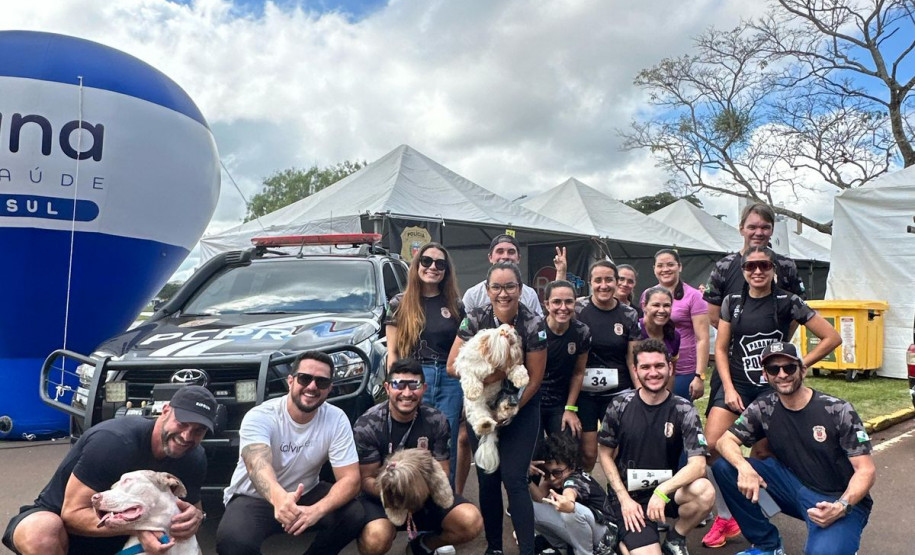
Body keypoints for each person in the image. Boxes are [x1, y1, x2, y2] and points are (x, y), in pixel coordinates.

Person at [701, 247, 841, 549]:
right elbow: (722, 349)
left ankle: (762, 525)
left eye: (764, 265)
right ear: (743, 269)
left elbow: (832, 337)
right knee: (712, 449)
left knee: (762, 456)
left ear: (773, 268)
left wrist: (801, 364)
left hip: (771, 391)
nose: (757, 271)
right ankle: (728, 515)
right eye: (750, 266)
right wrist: (728, 387)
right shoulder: (732, 302)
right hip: (737, 384)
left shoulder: (787, 301)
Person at [3, 386, 215, 555]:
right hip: (67, 531)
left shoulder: (194, 457)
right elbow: (71, 514)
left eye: (198, 430)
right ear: (166, 410)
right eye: (182, 423)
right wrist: (140, 529)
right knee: (41, 531)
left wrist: (196, 518)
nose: (187, 436)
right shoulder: (114, 442)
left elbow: (189, 509)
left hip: (121, 538)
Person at [712, 341, 875, 555]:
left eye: (789, 367)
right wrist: (744, 467)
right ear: (766, 375)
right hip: (792, 486)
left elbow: (866, 470)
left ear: (803, 369)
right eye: (773, 369)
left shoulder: (837, 409)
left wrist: (842, 506)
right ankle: (768, 546)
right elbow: (724, 441)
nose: (782, 374)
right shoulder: (765, 406)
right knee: (725, 468)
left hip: (836, 498)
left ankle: (839, 537)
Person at [216, 351, 364, 555]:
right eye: (305, 378)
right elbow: (256, 464)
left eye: (321, 382)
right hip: (255, 498)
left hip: (305, 493)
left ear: (329, 389)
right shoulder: (261, 415)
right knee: (233, 541)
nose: (312, 386)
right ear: (290, 381)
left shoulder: (336, 418)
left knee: (353, 513)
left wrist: (316, 510)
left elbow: (351, 479)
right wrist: (279, 499)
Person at [447, 261, 547, 555]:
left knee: (515, 479)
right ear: (487, 290)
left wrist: (511, 411)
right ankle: (494, 548)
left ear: (520, 289)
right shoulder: (474, 318)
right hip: (482, 408)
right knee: (487, 478)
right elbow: (453, 366)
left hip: (521, 406)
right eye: (497, 287)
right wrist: (496, 375)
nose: (503, 294)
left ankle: (527, 549)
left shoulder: (533, 323)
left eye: (510, 287)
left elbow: (535, 378)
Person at [598, 339, 716, 555]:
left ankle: (675, 538)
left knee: (705, 491)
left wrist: (662, 491)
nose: (653, 372)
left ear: (670, 368)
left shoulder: (684, 409)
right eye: (645, 367)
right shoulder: (619, 405)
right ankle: (618, 536)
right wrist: (624, 499)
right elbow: (604, 455)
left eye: (659, 366)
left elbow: (699, 466)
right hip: (630, 497)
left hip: (666, 491)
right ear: (635, 370)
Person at [355, 358, 482, 555]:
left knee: (470, 521)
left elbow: (443, 471)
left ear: (423, 388)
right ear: (387, 388)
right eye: (399, 385)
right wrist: (398, 490)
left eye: (414, 385)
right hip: (384, 496)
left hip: (425, 493)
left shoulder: (436, 420)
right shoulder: (367, 424)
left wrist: (417, 490)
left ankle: (423, 545)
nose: (407, 393)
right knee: (376, 537)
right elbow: (366, 480)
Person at [456, 234, 543, 496]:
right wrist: (489, 375)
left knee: (515, 473)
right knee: (478, 463)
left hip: (517, 387)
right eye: (500, 251)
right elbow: (461, 355)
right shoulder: (473, 301)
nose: (503, 294)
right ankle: (457, 499)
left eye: (511, 251)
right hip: (479, 380)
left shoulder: (531, 302)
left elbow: (533, 355)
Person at [386, 241, 465, 483]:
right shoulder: (399, 304)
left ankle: (445, 506)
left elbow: (464, 353)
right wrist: (394, 387)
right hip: (413, 379)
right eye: (426, 261)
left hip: (451, 381)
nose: (433, 267)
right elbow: (393, 353)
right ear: (417, 265)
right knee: (410, 444)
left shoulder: (456, 306)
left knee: (445, 445)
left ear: (446, 270)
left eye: (440, 263)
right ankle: (410, 503)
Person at [574, 260, 640, 471]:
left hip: (618, 393)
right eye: (598, 280)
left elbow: (632, 359)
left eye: (609, 280)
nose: (604, 285)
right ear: (590, 283)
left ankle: (618, 497)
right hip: (584, 394)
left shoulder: (629, 314)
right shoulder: (578, 308)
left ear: (616, 282)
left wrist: (640, 391)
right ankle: (585, 495)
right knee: (588, 453)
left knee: (619, 451)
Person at [703, 203, 805, 329]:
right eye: (752, 227)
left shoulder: (786, 266)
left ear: (772, 230)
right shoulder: (724, 267)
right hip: (734, 346)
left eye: (765, 227)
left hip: (777, 346)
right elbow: (713, 316)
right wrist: (742, 339)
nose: (759, 233)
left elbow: (800, 310)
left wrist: (782, 338)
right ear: (741, 229)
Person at [529, 432, 618, 555]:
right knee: (528, 509)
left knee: (569, 512)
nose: (553, 478)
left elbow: (570, 492)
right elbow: (539, 499)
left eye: (557, 472)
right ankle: (562, 548)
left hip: (606, 534)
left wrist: (568, 503)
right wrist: (526, 478)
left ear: (572, 465)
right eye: (548, 473)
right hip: (584, 531)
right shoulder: (556, 478)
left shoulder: (575, 479)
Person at [644, 249, 709, 402]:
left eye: (670, 265)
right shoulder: (647, 294)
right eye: (660, 265)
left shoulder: (694, 296)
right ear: (654, 269)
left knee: (679, 413)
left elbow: (703, 339)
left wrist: (700, 376)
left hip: (684, 369)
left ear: (679, 267)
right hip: (654, 365)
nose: (665, 269)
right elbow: (645, 330)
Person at [539, 279, 590, 439]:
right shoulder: (533, 329)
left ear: (575, 303)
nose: (563, 307)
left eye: (568, 302)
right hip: (532, 404)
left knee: (567, 455)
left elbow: (578, 373)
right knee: (533, 458)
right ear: (547, 304)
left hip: (560, 404)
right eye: (557, 302)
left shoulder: (582, 332)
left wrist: (570, 409)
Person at [462, 234, 544, 317]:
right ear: (490, 257)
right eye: (500, 251)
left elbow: (539, 327)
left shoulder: (530, 295)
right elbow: (463, 326)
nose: (505, 256)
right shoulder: (473, 295)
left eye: (511, 252)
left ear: (518, 258)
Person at [639, 285, 682, 391]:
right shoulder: (634, 330)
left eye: (666, 305)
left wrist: (667, 399)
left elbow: (671, 373)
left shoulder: (674, 336)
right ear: (644, 306)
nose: (662, 310)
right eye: (656, 305)